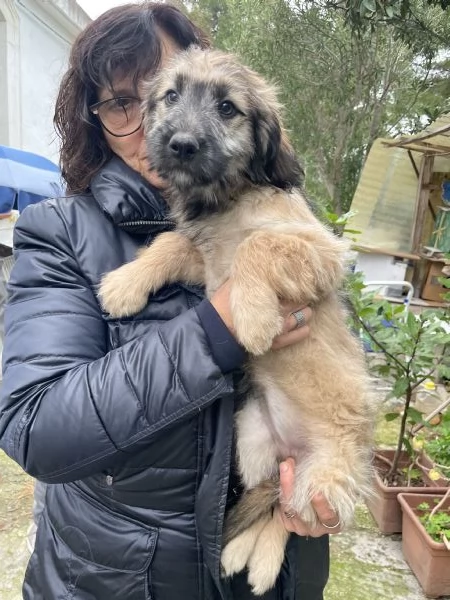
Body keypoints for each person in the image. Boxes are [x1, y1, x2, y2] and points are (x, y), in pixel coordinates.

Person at [0, 3, 340, 599]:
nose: (181, 131)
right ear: (93, 119)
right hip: (123, 578)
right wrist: (213, 331)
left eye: (153, 87)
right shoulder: (56, 232)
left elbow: (325, 332)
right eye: (122, 103)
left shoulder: (262, 196)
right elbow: (38, 427)